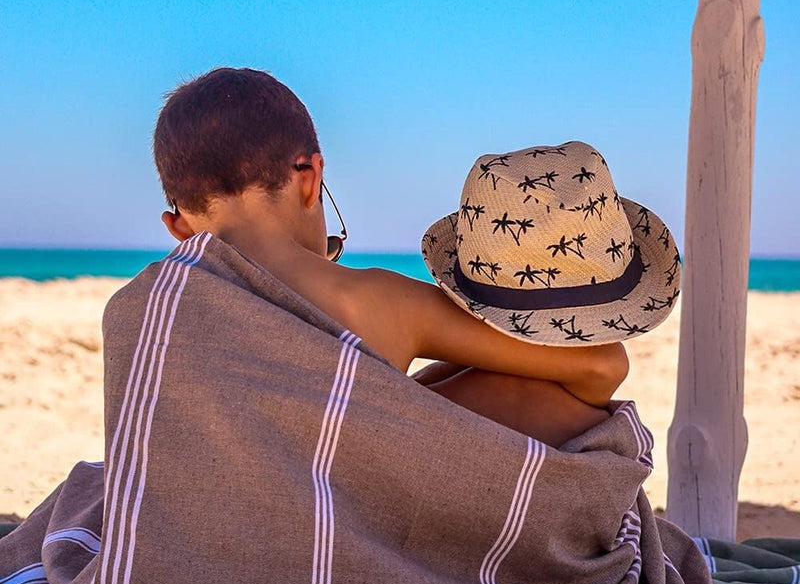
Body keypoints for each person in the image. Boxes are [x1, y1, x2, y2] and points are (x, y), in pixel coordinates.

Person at [154, 67, 676, 448]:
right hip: (333, 576)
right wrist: (412, 398)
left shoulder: (141, 310)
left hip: (186, 580)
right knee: (555, 399)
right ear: (311, 179)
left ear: (177, 227)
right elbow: (603, 364)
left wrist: (395, 394)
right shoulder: (374, 303)